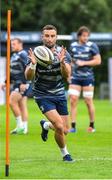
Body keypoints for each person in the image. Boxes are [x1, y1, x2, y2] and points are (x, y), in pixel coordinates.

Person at [25, 24, 74, 162]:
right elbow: (28, 76)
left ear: (56, 37)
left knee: (65, 130)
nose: (49, 39)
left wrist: (62, 63)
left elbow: (67, 74)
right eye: (47, 36)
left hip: (59, 93)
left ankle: (45, 125)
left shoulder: (63, 52)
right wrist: (33, 65)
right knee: (58, 125)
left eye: (52, 36)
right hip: (42, 94)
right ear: (42, 37)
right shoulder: (36, 53)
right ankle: (66, 155)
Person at [68, 26, 101, 133]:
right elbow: (69, 61)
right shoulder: (73, 46)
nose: (86, 38)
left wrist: (84, 63)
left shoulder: (92, 46)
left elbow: (98, 61)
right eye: (84, 36)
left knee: (88, 101)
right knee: (73, 100)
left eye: (87, 36)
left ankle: (92, 125)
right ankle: (73, 126)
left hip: (88, 77)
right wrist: (69, 74)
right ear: (79, 36)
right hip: (75, 77)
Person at [9, 38, 30, 134]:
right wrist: (6, 82)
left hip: (21, 83)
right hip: (16, 83)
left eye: (14, 44)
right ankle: (24, 128)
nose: (12, 46)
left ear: (20, 44)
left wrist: (24, 82)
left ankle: (20, 126)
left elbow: (28, 68)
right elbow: (13, 71)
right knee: (22, 105)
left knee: (11, 102)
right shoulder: (13, 55)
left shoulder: (23, 54)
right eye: (11, 44)